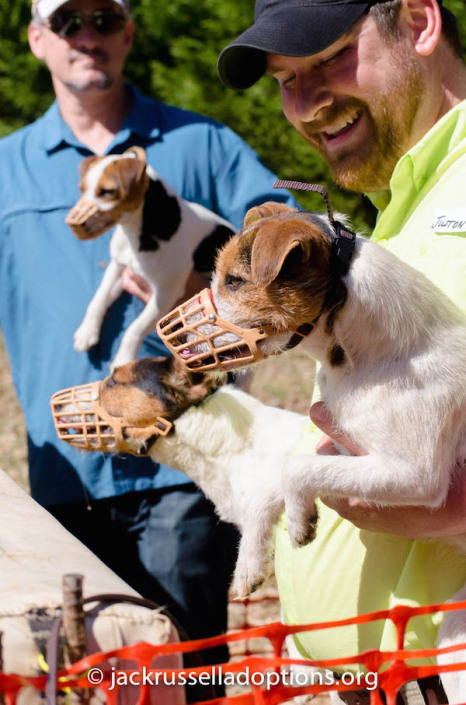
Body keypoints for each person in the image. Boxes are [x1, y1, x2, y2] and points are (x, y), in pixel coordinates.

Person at [0, 0, 297, 683]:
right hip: (66, 475)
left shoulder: (203, 145)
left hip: (187, 469)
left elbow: (288, 241)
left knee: (182, 676)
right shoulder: (5, 171)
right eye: (67, 21)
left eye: (105, 18)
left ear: (129, 33)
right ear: (37, 39)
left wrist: (220, 289)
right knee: (79, 684)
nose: (88, 36)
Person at [218, 0, 466, 701]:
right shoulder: (399, 209)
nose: (304, 103)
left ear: (419, 23)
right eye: (283, 77)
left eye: (329, 57)